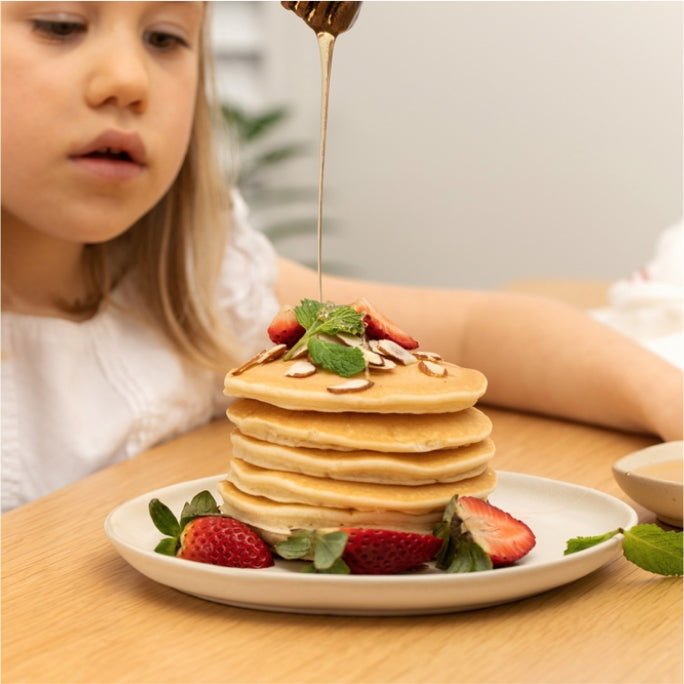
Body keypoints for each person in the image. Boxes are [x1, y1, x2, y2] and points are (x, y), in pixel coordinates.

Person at [1, 2, 681, 513]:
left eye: (166, 38)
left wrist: (669, 403)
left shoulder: (200, 280)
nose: (128, 79)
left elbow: (476, 333)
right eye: (60, 24)